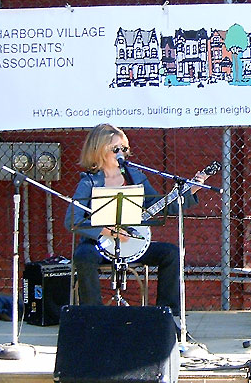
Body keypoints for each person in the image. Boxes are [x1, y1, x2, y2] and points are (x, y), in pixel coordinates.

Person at [64, 123, 206, 317]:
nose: (121, 153)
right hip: (99, 245)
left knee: (170, 253)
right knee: (83, 256)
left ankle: (167, 316)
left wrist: (190, 191)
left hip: (130, 243)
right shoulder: (89, 181)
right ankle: (93, 317)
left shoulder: (135, 177)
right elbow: (73, 219)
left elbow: (159, 205)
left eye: (124, 149)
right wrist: (107, 231)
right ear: (99, 150)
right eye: (115, 149)